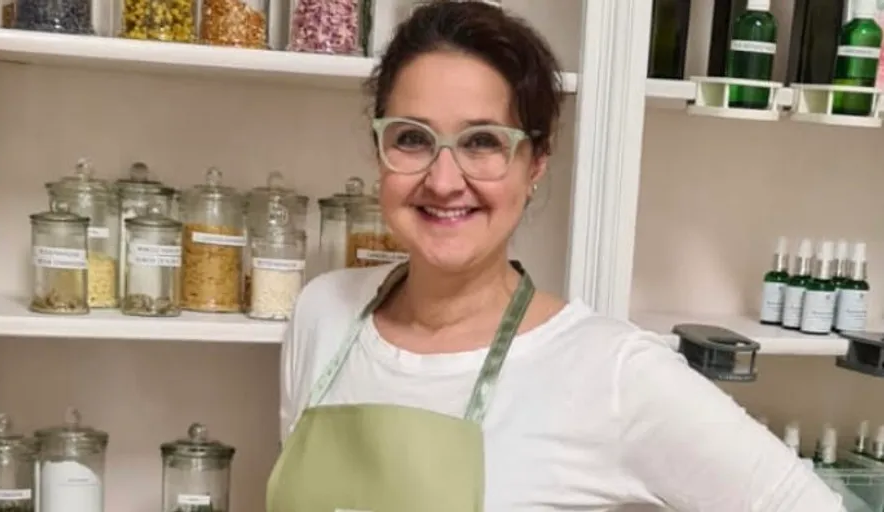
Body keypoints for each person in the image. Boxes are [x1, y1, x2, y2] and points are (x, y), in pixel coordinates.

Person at [266, 2, 845, 511]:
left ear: (536, 164)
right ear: (379, 150)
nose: (444, 180)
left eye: (483, 142)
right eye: (413, 137)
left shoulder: (609, 373)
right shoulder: (324, 313)